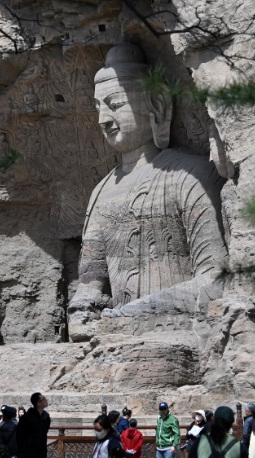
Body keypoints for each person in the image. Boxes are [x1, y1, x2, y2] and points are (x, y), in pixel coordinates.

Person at [66, 42, 229, 344]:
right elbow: (91, 283)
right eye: (98, 107)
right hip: (117, 336)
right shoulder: (102, 191)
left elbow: (217, 279)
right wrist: (82, 313)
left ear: (156, 104)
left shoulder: (190, 175)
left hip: (180, 335)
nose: (102, 119)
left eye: (115, 105)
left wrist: (137, 312)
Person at [15, 393, 50, 458]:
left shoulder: (46, 417)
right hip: (28, 452)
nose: (46, 400)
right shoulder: (26, 418)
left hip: (41, 452)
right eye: (44, 399)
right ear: (38, 403)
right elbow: (19, 436)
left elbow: (44, 433)